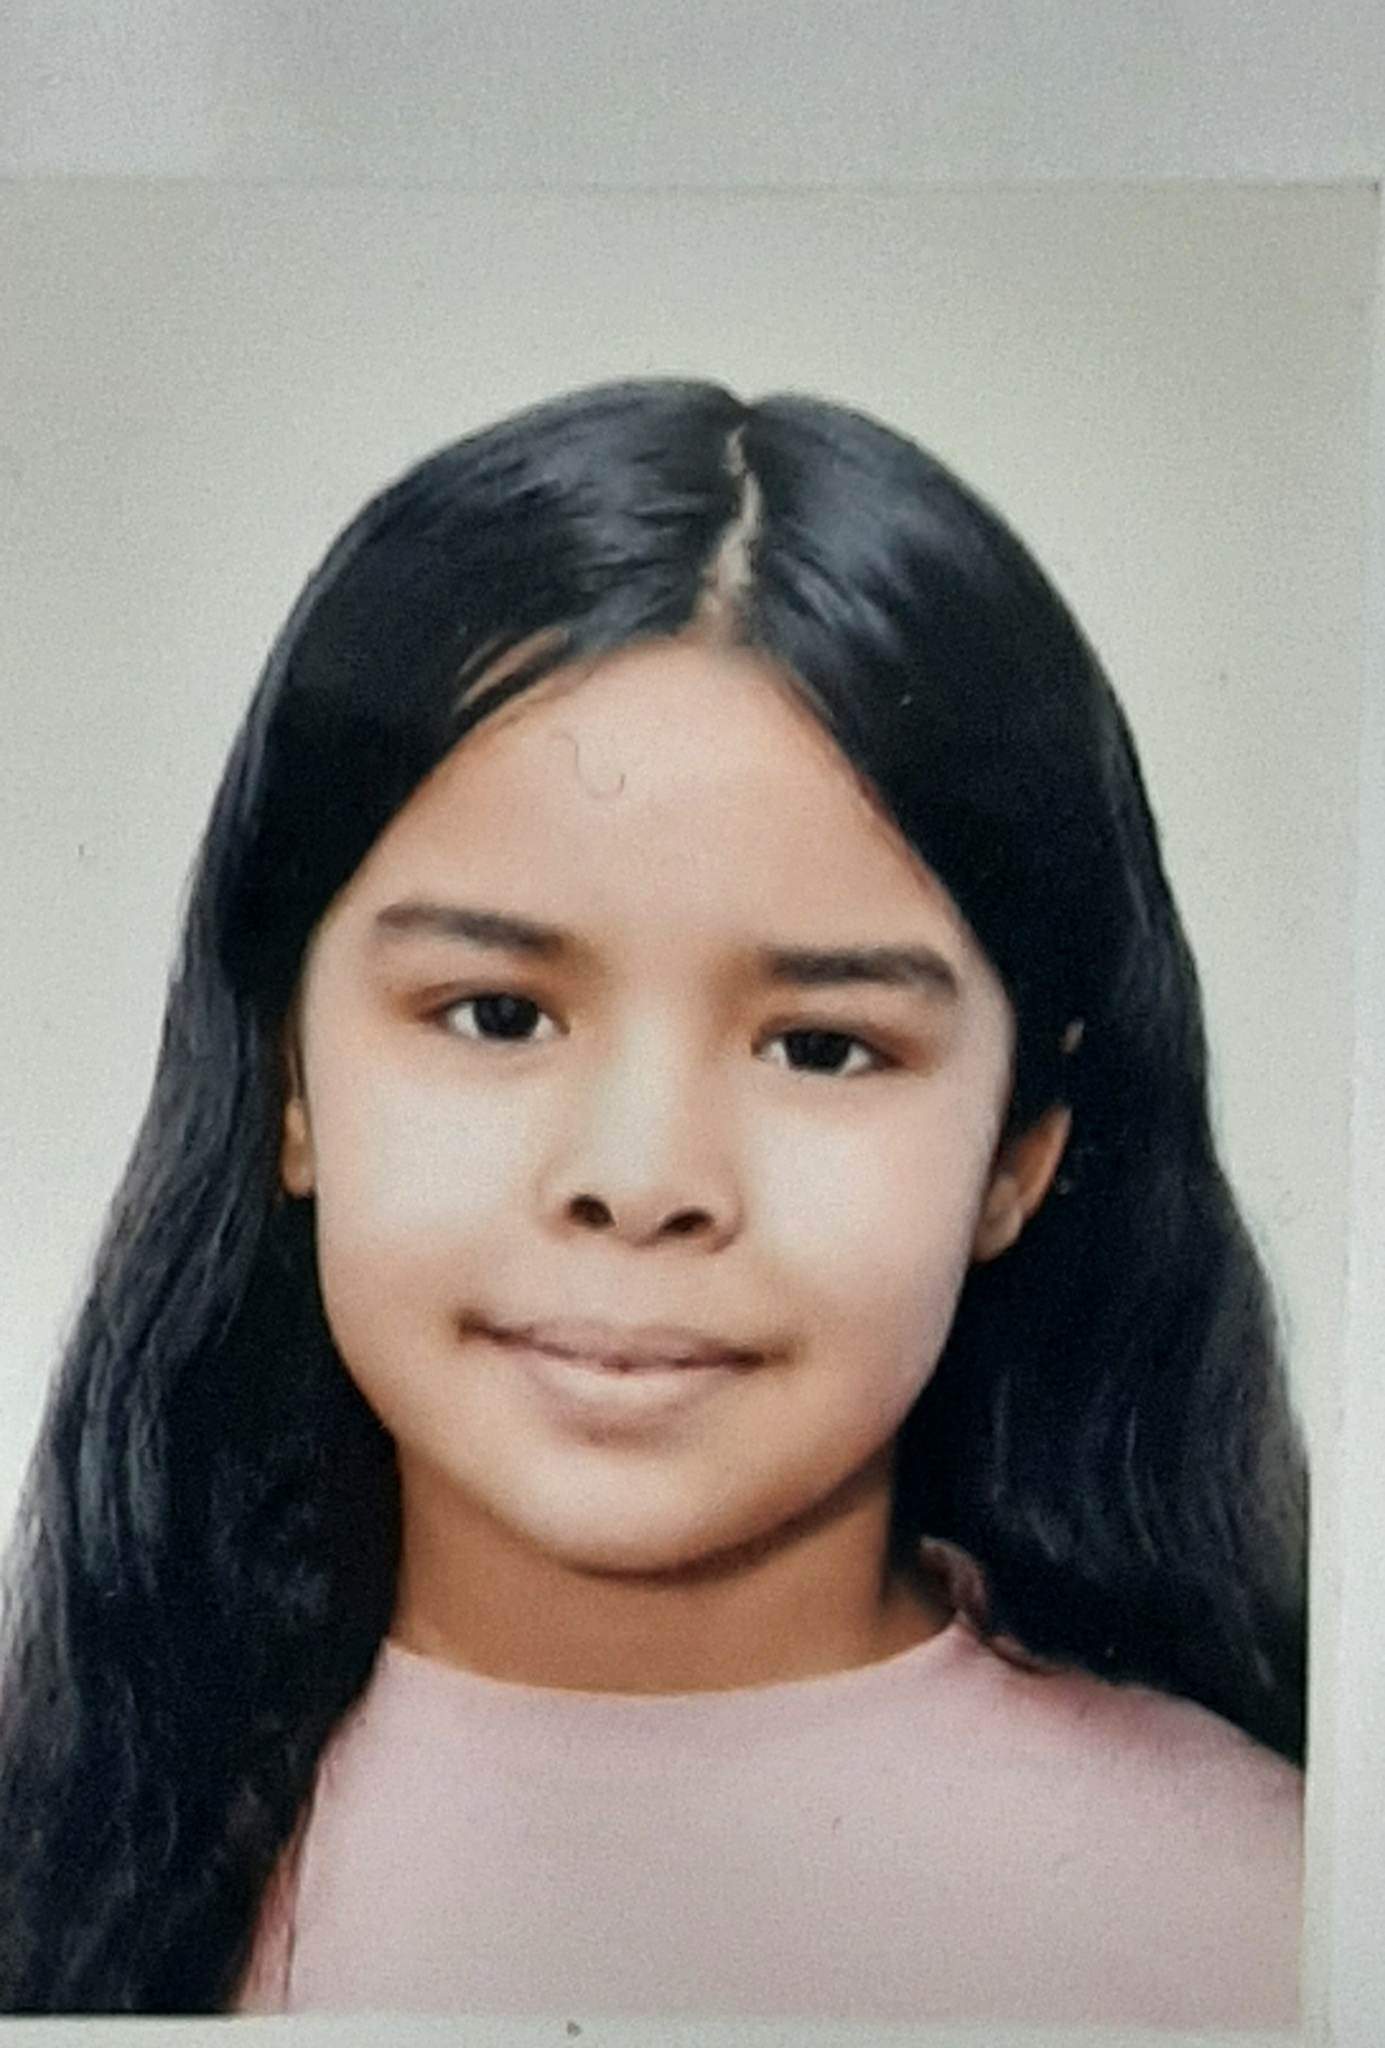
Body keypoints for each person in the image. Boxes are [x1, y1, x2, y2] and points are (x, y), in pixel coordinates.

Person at [0, 379, 1306, 2024]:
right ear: (289, 1083)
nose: (637, 1182)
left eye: (822, 1047)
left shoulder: (1268, 1920)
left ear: (1020, 1149)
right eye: (495, 1015)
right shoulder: (57, 1865)